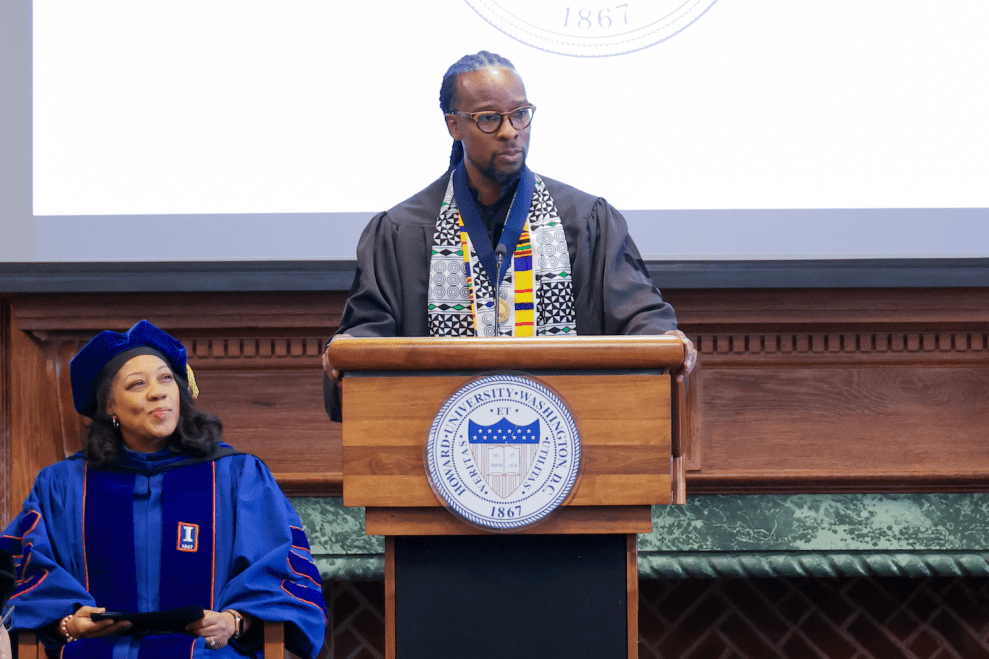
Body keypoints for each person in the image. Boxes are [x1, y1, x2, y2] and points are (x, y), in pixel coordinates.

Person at [324, 50, 695, 419]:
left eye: (520, 114)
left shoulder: (585, 221)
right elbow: (367, 333)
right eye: (489, 118)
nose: (510, 131)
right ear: (454, 125)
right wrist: (351, 345)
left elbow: (639, 314)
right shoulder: (401, 232)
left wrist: (662, 337)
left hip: (571, 442)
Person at [0, 320, 327, 658]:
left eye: (166, 378)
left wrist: (234, 621)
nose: (158, 392)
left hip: (205, 653)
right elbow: (22, 578)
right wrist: (68, 623)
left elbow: (283, 576)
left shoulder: (238, 476)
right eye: (137, 384)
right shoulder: (64, 486)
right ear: (109, 407)